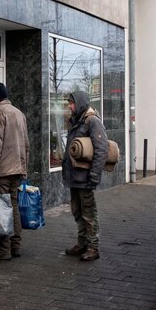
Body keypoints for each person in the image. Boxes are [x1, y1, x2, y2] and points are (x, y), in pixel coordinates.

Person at [0, 82, 30, 260]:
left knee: (2, 209)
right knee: (13, 207)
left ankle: (3, 248)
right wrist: (24, 168)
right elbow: (26, 144)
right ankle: (15, 246)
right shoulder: (18, 113)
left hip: (2, 170)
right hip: (16, 168)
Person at [62, 90, 109, 261]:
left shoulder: (92, 121)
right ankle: (82, 243)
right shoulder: (76, 121)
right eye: (69, 103)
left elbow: (102, 149)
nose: (70, 106)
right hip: (74, 178)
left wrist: (94, 175)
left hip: (85, 178)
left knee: (89, 214)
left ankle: (93, 247)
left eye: (72, 103)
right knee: (77, 212)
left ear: (80, 103)